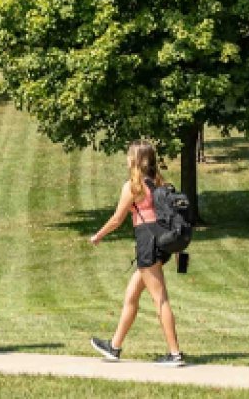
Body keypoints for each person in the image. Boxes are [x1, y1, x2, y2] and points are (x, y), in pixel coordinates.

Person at [88, 140, 186, 366]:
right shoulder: (158, 183)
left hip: (147, 244)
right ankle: (114, 347)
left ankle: (175, 354)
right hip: (161, 244)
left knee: (160, 298)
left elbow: (116, 219)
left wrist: (98, 236)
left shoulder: (134, 187)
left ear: (134, 159)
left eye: (128, 155)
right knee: (131, 296)